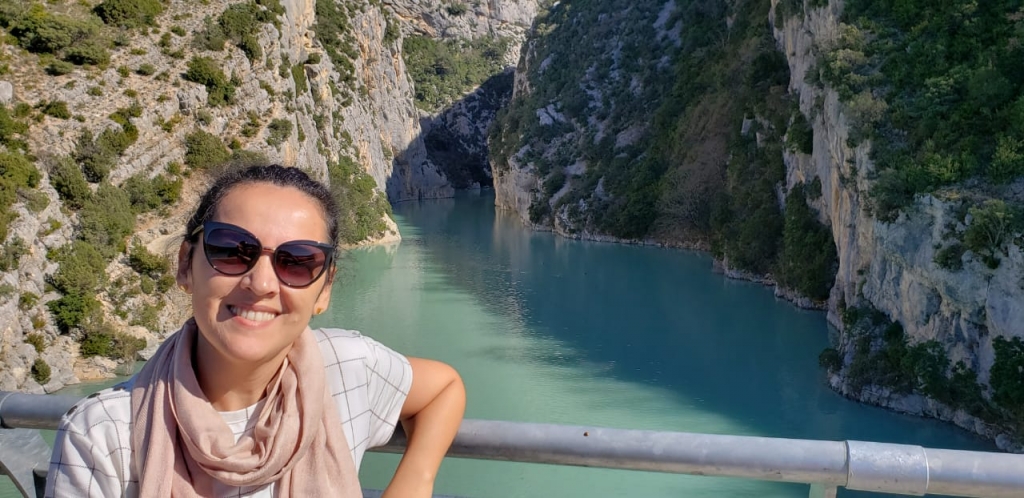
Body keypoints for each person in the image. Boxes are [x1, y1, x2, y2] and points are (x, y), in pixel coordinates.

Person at [45, 164, 466, 497]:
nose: (262, 283)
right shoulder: (102, 435)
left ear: (325, 290)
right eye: (231, 250)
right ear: (184, 265)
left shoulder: (346, 368)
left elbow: (443, 390)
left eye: (297, 261)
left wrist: (415, 482)